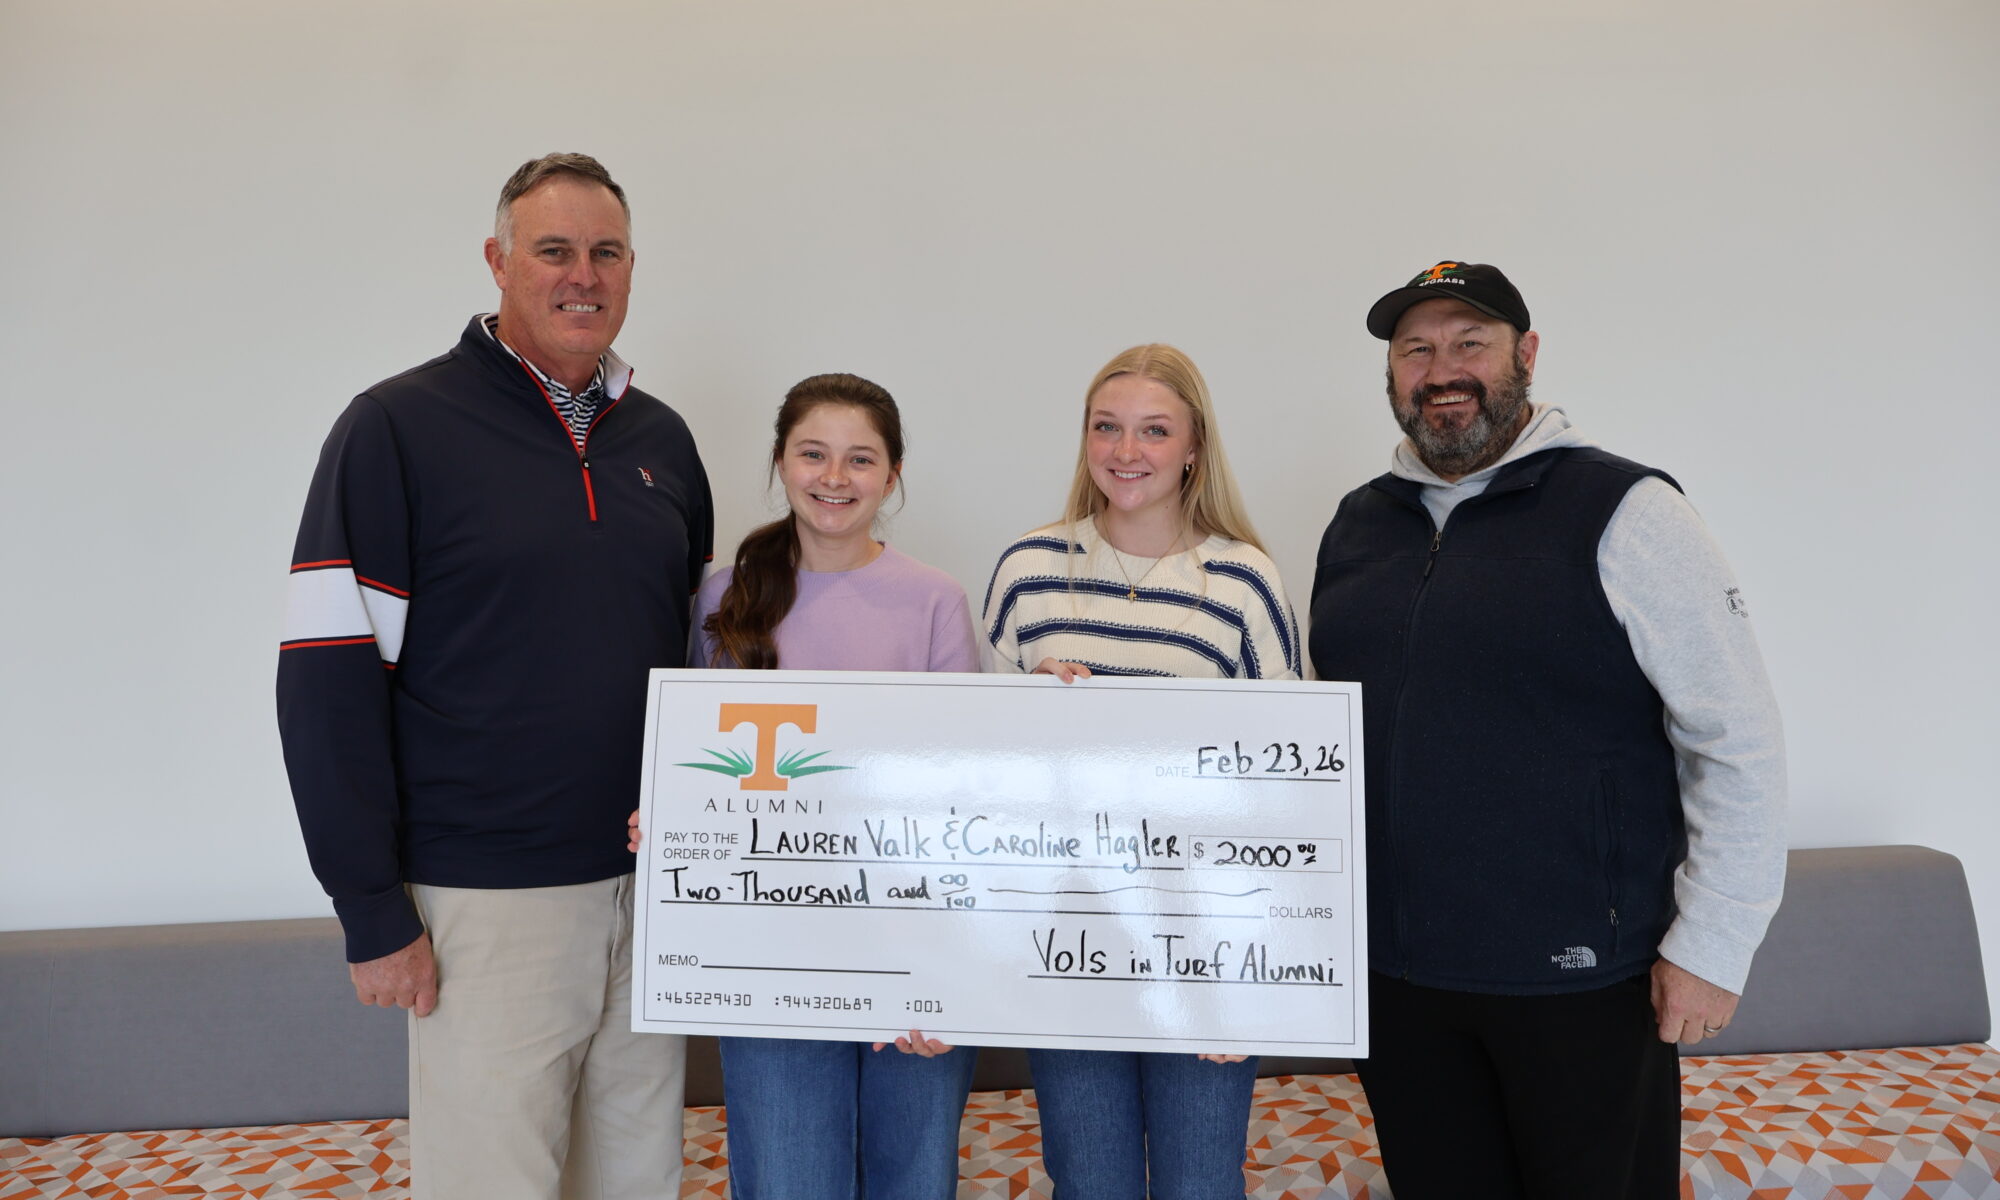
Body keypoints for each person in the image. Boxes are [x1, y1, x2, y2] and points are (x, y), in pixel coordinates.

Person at [276, 154, 711, 1200]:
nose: (582, 275)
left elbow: (699, 666)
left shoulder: (663, 442)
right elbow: (327, 683)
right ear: (498, 261)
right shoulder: (396, 428)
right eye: (553, 250)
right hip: (485, 903)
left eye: (604, 252)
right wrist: (371, 908)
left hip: (649, 896)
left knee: (636, 1177)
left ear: (631, 267)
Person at [1309, 261, 1787, 1199]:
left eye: (1469, 343)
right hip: (1397, 985)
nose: (1442, 369)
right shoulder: (1358, 527)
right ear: (1393, 376)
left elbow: (1739, 738)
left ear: (1526, 355)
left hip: (1582, 985)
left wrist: (1713, 947)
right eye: (1417, 350)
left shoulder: (1627, 511)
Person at [631, 372, 980, 1199]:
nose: (835, 477)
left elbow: (964, 800)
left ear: (893, 475)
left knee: (913, 1181)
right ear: (780, 463)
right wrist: (667, 817)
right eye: (813, 454)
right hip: (768, 965)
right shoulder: (723, 596)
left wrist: (951, 975)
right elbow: (693, 760)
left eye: (861, 459)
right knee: (789, 1182)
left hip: (911, 955)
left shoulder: (937, 601)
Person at [980, 344, 1300, 1199]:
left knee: (1201, 1181)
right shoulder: (1028, 572)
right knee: (1088, 1184)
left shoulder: (1244, 582)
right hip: (1066, 946)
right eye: (1108, 428)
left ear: (1195, 447)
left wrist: (1257, 978)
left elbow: (1289, 792)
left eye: (1155, 431)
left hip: (1204, 951)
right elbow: (978, 781)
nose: (1128, 451)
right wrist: (1023, 715)